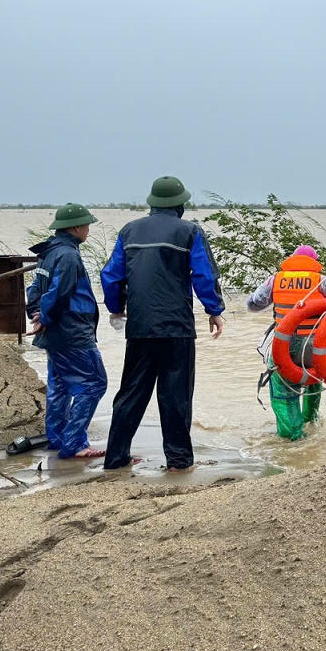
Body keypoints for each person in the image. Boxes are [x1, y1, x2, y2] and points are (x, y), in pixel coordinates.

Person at [100, 176, 226, 471]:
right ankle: (179, 461)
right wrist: (214, 310)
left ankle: (116, 458)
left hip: (140, 328)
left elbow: (110, 276)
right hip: (176, 327)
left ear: (153, 204)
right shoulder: (190, 231)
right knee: (175, 395)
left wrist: (116, 309)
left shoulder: (129, 231)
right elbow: (204, 275)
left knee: (131, 393)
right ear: (180, 204)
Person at [25, 204, 108, 459]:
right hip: (72, 332)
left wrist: (36, 314)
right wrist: (46, 317)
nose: (88, 231)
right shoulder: (69, 255)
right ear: (75, 228)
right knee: (94, 384)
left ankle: (57, 438)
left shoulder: (48, 253)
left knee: (59, 386)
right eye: (86, 226)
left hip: (55, 334)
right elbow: (59, 291)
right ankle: (74, 443)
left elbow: (35, 289)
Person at [246, 245, 326, 440]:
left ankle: (292, 436)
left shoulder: (276, 279)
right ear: (314, 261)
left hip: (284, 345)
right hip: (313, 345)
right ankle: (311, 421)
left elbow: (253, 304)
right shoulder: (320, 280)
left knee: (282, 388)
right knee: (313, 380)